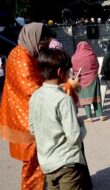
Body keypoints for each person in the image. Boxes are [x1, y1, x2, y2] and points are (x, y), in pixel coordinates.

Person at [0, 22, 54, 189]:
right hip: (26, 121)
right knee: (33, 165)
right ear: (33, 38)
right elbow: (32, 89)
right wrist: (63, 88)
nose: (44, 46)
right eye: (42, 42)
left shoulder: (27, 53)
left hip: (27, 116)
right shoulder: (21, 56)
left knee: (36, 163)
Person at [29, 48, 90, 190]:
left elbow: (32, 129)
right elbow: (74, 137)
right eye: (69, 70)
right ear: (60, 72)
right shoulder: (63, 99)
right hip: (67, 163)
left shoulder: (35, 96)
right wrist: (82, 128)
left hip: (47, 163)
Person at [72, 41, 106, 122]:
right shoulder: (92, 55)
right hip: (93, 78)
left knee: (86, 99)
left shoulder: (74, 57)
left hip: (82, 81)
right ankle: (100, 115)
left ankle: (89, 117)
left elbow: (75, 70)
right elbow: (97, 65)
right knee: (96, 98)